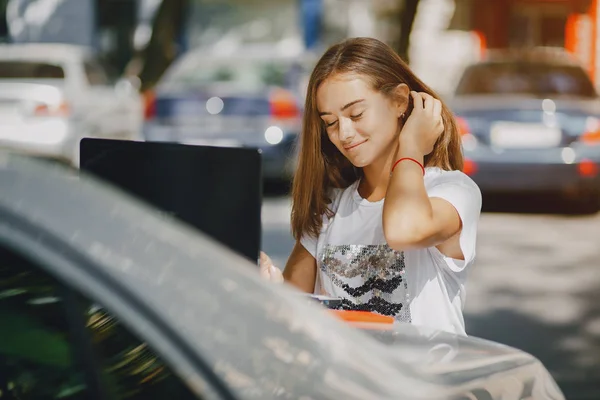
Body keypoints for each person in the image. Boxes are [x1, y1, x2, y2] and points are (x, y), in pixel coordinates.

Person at [260, 37, 482, 336]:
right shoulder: (331, 206)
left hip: (426, 381)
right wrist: (270, 290)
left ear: (400, 101)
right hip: (349, 381)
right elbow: (292, 313)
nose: (344, 133)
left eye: (356, 114)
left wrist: (412, 145)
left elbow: (405, 230)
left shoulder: (452, 191)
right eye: (330, 122)